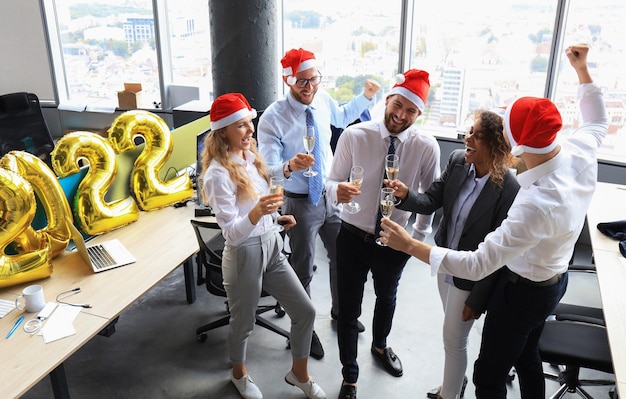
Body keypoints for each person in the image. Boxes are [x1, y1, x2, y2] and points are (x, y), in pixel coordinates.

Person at [379, 43, 608, 398]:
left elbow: (479, 264)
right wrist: (582, 69)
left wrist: (409, 245)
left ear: (512, 147)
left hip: (523, 292)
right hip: (552, 281)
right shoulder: (580, 149)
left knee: (488, 376)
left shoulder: (534, 202)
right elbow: (596, 118)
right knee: (528, 355)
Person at [257, 48, 381, 359]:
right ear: (288, 81)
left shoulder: (322, 101)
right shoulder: (273, 117)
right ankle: (303, 327)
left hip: (330, 195)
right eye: (302, 82)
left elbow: (341, 115)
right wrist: (289, 167)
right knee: (302, 268)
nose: (309, 87)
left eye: (314, 79)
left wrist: (365, 97)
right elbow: (267, 168)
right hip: (298, 202)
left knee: (343, 259)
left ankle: (342, 313)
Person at [202, 93, 326, 399]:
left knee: (305, 311)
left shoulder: (248, 156)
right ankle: (239, 374)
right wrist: (258, 212)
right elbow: (232, 233)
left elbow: (261, 191)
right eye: (241, 126)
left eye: (249, 123)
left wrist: (277, 214)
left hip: (271, 244)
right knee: (242, 324)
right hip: (244, 253)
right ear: (223, 132)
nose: (250, 131)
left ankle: (298, 374)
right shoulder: (217, 175)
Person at [325, 69, 440, 399]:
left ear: (418, 114)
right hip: (352, 234)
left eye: (411, 111)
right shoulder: (354, 135)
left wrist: (414, 242)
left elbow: (428, 199)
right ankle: (350, 375)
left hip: (394, 238)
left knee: (387, 297)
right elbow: (331, 182)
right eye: (398, 105)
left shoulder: (426, 146)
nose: (401, 116)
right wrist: (337, 191)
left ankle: (379, 345)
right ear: (388, 99)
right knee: (348, 308)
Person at [390, 109, 520, 399]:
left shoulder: (509, 189)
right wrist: (405, 194)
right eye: (468, 131)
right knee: (453, 333)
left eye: (476, 135)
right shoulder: (458, 161)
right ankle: (455, 382)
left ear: (495, 145)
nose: (467, 138)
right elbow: (432, 199)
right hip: (444, 263)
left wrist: (478, 299)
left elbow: (498, 257)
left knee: (454, 339)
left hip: (471, 277)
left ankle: (449, 394)